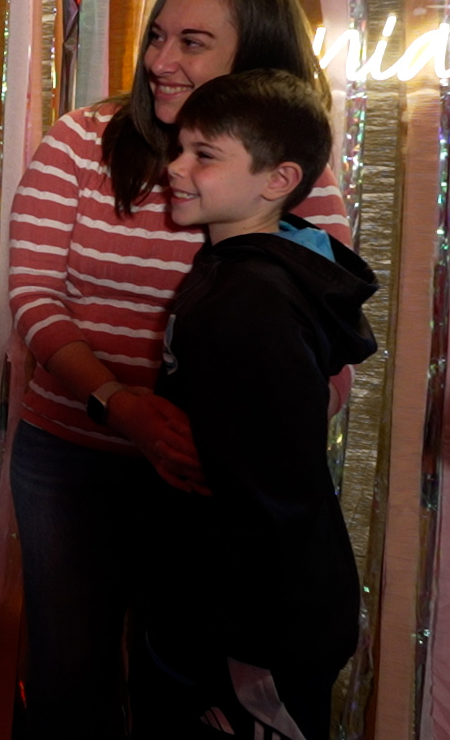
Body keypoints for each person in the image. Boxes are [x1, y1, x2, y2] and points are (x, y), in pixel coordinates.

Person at [4, 0, 350, 738]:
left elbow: (325, 342)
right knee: (70, 675)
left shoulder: (295, 171)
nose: (162, 61)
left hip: (207, 480)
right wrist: (120, 402)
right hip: (73, 452)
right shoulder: (81, 141)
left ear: (253, 58)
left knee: (187, 690)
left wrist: (249, 446)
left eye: (193, 42)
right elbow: (32, 295)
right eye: (158, 37)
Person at [149, 69, 377, 739]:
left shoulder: (250, 304)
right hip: (243, 609)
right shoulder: (242, 271)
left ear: (277, 180)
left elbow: (273, 495)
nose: (176, 168)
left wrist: (244, 638)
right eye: (180, 147)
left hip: (256, 628)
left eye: (204, 155)